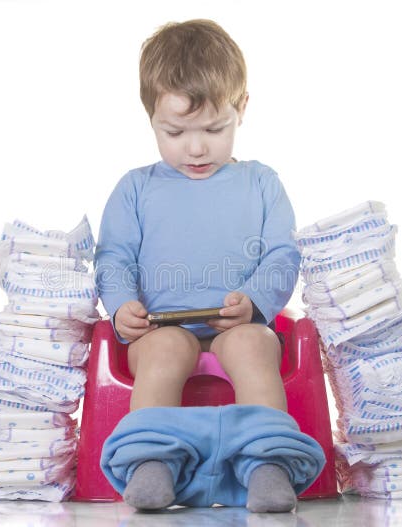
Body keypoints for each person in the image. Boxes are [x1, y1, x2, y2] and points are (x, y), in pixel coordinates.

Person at [94, 19, 324, 512]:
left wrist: (255, 303)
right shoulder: (135, 188)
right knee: (165, 350)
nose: (195, 148)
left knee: (254, 345)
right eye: (174, 131)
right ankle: (150, 462)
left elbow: (282, 254)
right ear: (149, 117)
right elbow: (113, 257)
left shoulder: (262, 183)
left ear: (242, 109)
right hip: (156, 329)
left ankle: (267, 463)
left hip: (235, 323)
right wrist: (122, 307)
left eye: (214, 129)